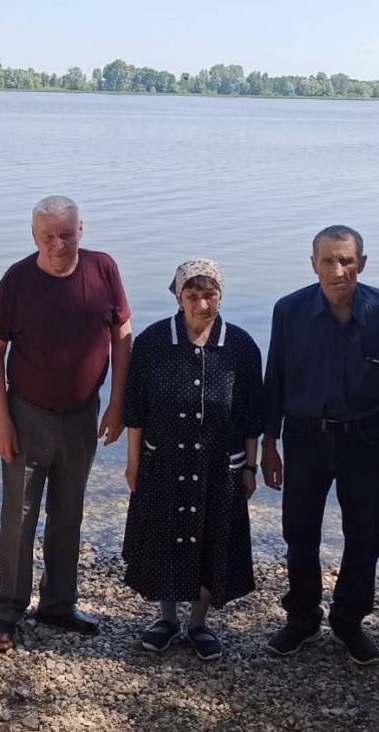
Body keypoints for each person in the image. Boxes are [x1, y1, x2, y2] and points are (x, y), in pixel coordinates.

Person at [0, 196, 133, 652]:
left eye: (65, 234)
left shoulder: (103, 269)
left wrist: (118, 405)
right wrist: (0, 420)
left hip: (83, 414)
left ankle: (58, 606)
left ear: (80, 230)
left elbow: (122, 336)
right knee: (19, 516)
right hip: (27, 413)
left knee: (68, 515)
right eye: (47, 236)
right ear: (34, 237)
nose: (57, 244)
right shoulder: (17, 279)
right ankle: (7, 609)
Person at [262, 225, 379, 666]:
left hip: (369, 440)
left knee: (363, 535)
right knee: (299, 532)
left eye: (346, 260)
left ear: (361, 263)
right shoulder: (288, 310)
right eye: (328, 260)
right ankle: (302, 618)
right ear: (313, 265)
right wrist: (269, 443)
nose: (338, 269)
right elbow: (276, 380)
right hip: (305, 438)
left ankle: (349, 622)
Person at [122, 260, 263, 661]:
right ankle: (166, 620)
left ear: (221, 295)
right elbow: (135, 410)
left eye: (210, 295)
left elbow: (253, 414)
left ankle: (199, 624)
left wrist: (250, 468)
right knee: (165, 538)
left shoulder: (240, 345)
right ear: (179, 297)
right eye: (193, 296)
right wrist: (132, 463)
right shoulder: (152, 342)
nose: (202, 304)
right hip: (163, 461)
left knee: (210, 541)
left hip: (220, 467)